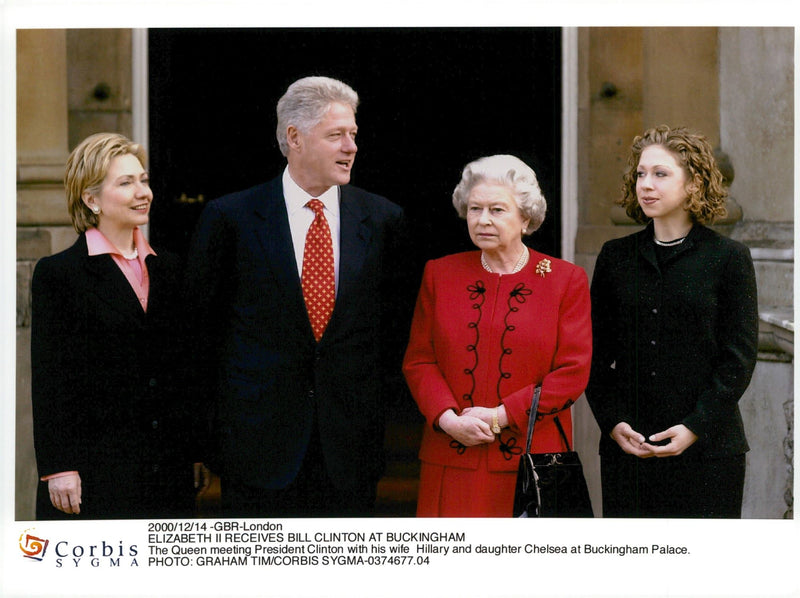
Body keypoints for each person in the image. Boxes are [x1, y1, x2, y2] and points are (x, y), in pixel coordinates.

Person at [184, 76, 407, 517]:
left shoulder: (383, 219)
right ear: (294, 138)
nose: (351, 147)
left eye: (354, 134)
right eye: (336, 135)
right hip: (256, 452)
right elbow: (199, 337)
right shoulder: (231, 218)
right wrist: (199, 441)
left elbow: (392, 332)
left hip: (350, 451)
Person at [402, 154, 592, 517]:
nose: (483, 220)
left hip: (531, 465)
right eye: (475, 209)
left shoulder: (564, 279)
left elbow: (572, 372)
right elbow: (419, 360)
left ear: (526, 217)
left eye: (497, 210)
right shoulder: (440, 273)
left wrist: (500, 416)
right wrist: (448, 420)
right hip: (450, 458)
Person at [585, 125, 758, 518]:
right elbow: (594, 355)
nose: (646, 184)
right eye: (641, 174)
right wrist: (612, 423)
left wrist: (695, 426)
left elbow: (739, 358)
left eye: (661, 174)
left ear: (694, 183)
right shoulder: (615, 257)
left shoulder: (729, 258)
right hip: (630, 448)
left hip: (709, 451)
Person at [31, 132, 205, 519]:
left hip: (167, 471)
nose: (143, 191)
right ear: (91, 200)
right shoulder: (58, 275)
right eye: (126, 183)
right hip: (95, 473)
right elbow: (50, 378)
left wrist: (193, 450)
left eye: (143, 180)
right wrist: (60, 467)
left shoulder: (170, 269)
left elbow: (183, 370)